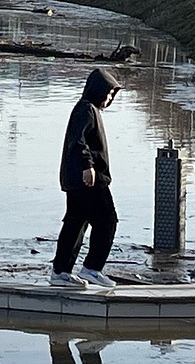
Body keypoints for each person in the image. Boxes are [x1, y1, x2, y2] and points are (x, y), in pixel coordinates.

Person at [50, 67, 123, 289]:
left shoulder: (89, 109)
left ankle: (61, 271)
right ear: (97, 90)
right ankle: (92, 268)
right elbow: (77, 140)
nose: (109, 99)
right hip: (88, 179)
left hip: (77, 178)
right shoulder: (85, 109)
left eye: (112, 95)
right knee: (107, 220)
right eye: (108, 93)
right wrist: (87, 166)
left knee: (75, 223)